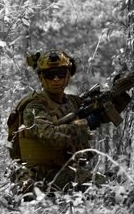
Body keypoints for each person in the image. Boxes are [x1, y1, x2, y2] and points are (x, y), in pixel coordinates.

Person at [6, 50, 105, 194]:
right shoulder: (34, 107)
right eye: (50, 75)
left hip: (62, 170)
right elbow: (51, 137)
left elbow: (105, 114)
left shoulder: (72, 102)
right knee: (102, 186)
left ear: (69, 76)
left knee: (109, 181)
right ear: (41, 77)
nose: (56, 79)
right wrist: (85, 124)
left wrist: (114, 99)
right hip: (39, 176)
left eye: (61, 74)